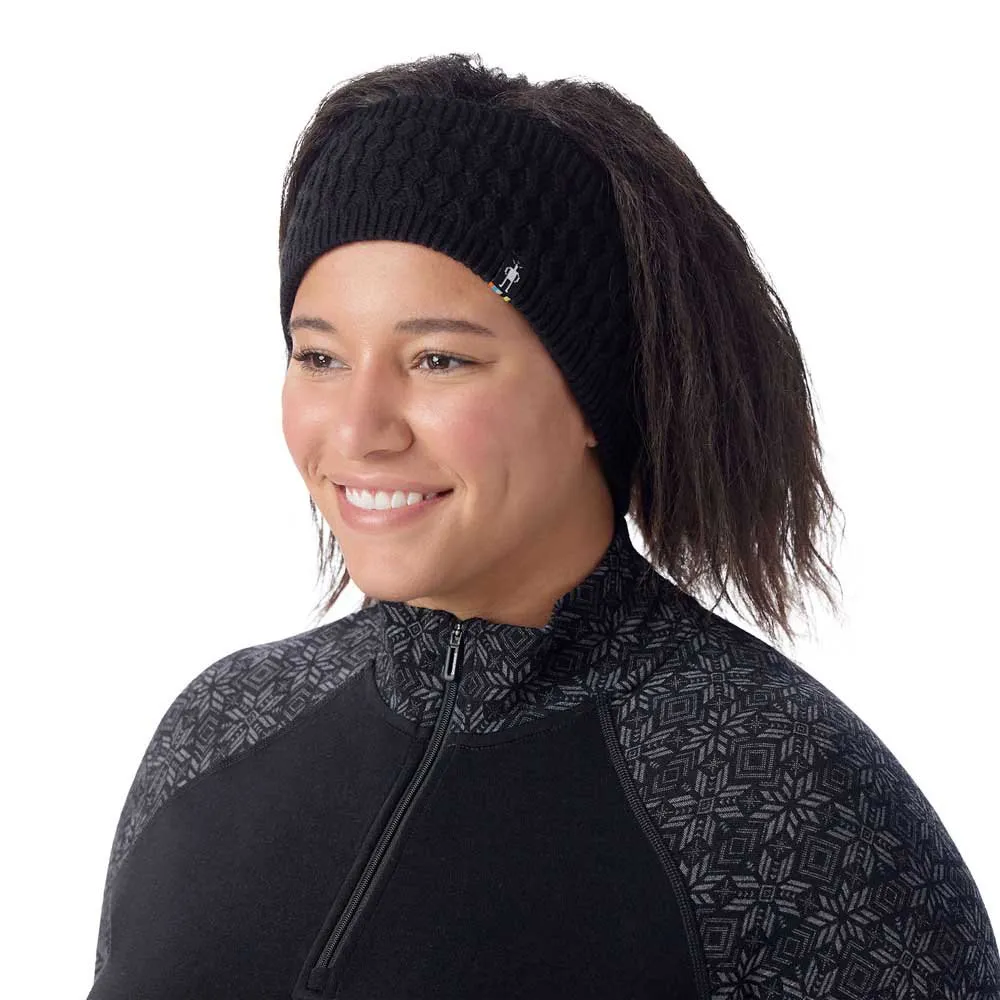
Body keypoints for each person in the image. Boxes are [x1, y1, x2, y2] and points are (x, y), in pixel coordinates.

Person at [86, 54, 1000, 1000]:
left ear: (594, 393)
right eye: (319, 357)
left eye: (438, 360)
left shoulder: (794, 808)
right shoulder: (220, 730)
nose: (357, 431)